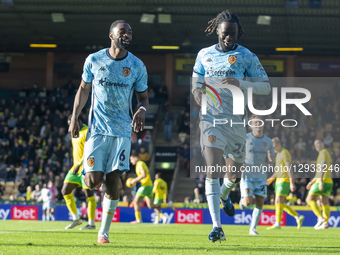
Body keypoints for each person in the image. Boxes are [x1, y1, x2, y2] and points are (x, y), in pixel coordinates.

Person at [192, 9, 271, 242]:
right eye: (226, 33)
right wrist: (198, 93)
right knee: (212, 169)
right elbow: (196, 83)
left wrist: (241, 82)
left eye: (234, 34)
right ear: (217, 30)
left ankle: (225, 195)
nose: (229, 38)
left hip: (236, 122)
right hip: (210, 120)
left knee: (233, 176)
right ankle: (217, 227)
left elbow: (265, 86)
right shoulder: (204, 55)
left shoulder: (247, 56)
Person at [68, 20, 148, 243]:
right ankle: (98, 180)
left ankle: (103, 232)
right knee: (92, 182)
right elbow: (83, 90)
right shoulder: (94, 60)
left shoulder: (137, 65)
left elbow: (144, 98)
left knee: (113, 178)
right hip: (97, 130)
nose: (127, 35)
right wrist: (75, 117)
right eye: (123, 31)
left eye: (130, 32)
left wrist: (141, 110)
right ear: (111, 35)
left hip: (122, 131)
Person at [238, 114, 275, 235]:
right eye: (256, 123)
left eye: (260, 122)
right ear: (251, 125)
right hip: (247, 175)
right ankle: (242, 203)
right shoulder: (245, 138)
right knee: (248, 202)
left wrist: (270, 158)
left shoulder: (268, 141)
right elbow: (236, 151)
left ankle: (252, 228)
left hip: (261, 176)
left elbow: (272, 159)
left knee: (260, 201)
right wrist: (240, 162)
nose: (258, 124)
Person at [62, 116, 96, 230]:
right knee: (65, 191)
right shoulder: (74, 133)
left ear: (78, 122)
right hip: (75, 168)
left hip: (86, 168)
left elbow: (90, 150)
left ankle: (91, 224)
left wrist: (79, 164)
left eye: (71, 124)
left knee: (89, 196)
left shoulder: (87, 131)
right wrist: (75, 164)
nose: (70, 128)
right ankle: (76, 218)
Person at [267, 138, 305, 230]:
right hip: (278, 181)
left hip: (285, 180)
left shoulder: (285, 153)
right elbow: (278, 170)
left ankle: (278, 223)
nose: (274, 149)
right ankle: (297, 217)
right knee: (279, 202)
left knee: (279, 201)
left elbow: (289, 168)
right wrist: (271, 179)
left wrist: (292, 182)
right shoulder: (278, 154)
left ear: (279, 144)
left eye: (275, 147)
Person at [306, 140, 332, 229]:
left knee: (309, 199)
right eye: (315, 144)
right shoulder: (324, 153)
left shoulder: (323, 152)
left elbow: (323, 167)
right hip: (329, 182)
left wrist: (320, 182)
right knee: (325, 202)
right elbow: (319, 171)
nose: (317, 145)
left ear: (323, 144)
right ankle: (325, 223)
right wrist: (312, 182)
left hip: (323, 181)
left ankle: (320, 218)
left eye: (318, 143)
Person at [129, 152, 161, 224]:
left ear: (136, 158)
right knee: (151, 206)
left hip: (145, 186)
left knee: (136, 201)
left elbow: (144, 175)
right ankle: (160, 205)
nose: (131, 161)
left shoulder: (140, 164)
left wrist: (134, 180)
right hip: (149, 185)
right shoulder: (138, 165)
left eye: (131, 159)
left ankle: (138, 219)